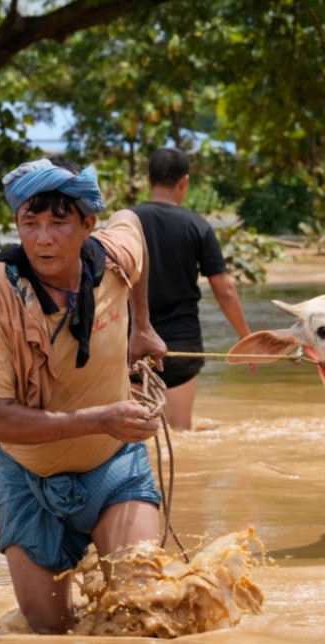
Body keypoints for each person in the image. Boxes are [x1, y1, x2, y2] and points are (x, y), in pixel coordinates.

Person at [0, 157, 168, 633]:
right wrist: (100, 417)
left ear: (87, 224)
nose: (42, 238)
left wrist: (143, 325)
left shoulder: (113, 258)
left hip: (114, 465)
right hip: (30, 476)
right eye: (29, 223)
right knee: (49, 631)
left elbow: (133, 222)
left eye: (58, 223)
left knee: (143, 612)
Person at [129, 147, 252, 431]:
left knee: (135, 435)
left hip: (133, 342)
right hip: (180, 344)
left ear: (149, 179)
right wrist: (246, 339)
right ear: (184, 182)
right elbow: (225, 291)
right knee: (182, 432)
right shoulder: (197, 225)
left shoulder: (126, 222)